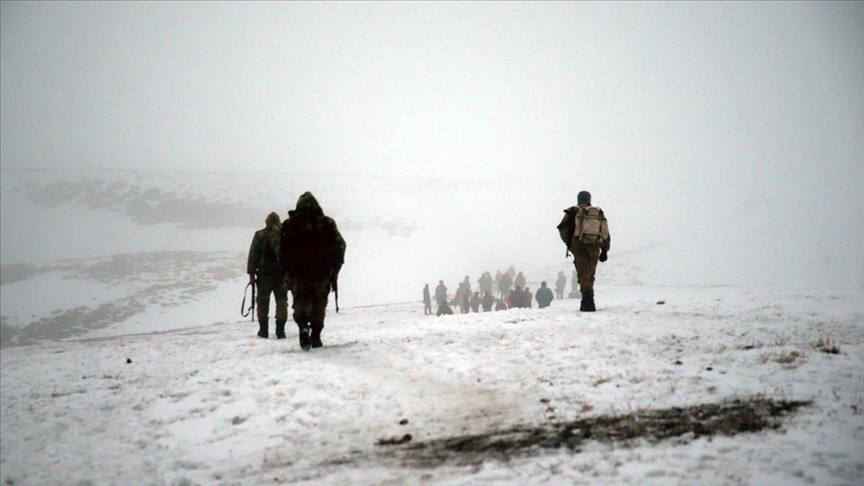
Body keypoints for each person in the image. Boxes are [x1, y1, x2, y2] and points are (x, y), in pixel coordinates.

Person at [279, 192, 346, 350]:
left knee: (300, 301)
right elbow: (340, 245)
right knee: (319, 302)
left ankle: (303, 326)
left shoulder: (289, 224)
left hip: (299, 272)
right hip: (321, 271)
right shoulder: (327, 223)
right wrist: (334, 268)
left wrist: (288, 270)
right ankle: (315, 336)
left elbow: (281, 251)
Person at [559, 190, 610, 312]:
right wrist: (604, 250)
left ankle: (588, 300)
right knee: (590, 273)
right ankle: (586, 300)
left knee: (583, 274)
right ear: (589, 199)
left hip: (579, 246)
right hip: (594, 246)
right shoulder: (598, 213)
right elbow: (605, 232)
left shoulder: (573, 211)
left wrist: (570, 244)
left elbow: (562, 229)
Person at [247, 212, 289, 339]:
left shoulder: (260, 235)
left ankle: (263, 330)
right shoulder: (285, 234)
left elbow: (254, 255)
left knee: (262, 301)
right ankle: (280, 331)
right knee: (281, 301)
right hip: (281, 273)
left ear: (267, 222)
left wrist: (251, 273)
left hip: (265, 274)